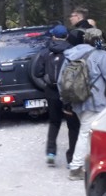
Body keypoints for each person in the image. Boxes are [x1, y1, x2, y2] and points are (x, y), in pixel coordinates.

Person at [60, 27, 106, 181]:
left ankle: (93, 164)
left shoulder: (70, 55)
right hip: (97, 102)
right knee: (87, 133)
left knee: (90, 133)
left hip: (77, 102)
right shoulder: (101, 55)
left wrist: (66, 102)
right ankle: (76, 167)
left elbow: (61, 81)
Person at [33, 24, 79, 167]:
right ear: (66, 36)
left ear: (53, 36)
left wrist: (46, 82)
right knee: (73, 125)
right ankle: (71, 159)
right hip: (69, 92)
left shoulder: (45, 52)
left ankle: (51, 153)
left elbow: (37, 72)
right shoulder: (73, 51)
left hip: (51, 91)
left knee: (54, 122)